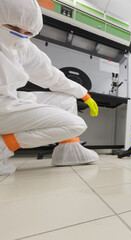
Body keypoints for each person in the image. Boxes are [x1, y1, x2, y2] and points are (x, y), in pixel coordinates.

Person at [0, 0, 99, 175]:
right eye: (14, 28)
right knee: (76, 124)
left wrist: (83, 94)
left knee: (66, 100)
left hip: (10, 100)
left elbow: (50, 75)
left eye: (28, 32)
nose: (22, 35)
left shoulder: (23, 46)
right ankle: (3, 148)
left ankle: (69, 151)